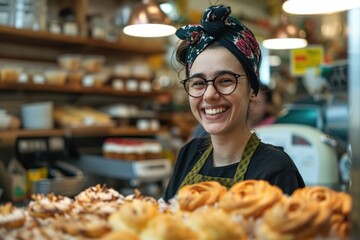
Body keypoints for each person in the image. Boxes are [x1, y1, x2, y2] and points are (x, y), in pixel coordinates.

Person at [163, 5, 305, 201]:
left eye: (226, 80)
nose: (210, 94)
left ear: (252, 91)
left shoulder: (276, 169)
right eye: (198, 83)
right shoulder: (189, 154)